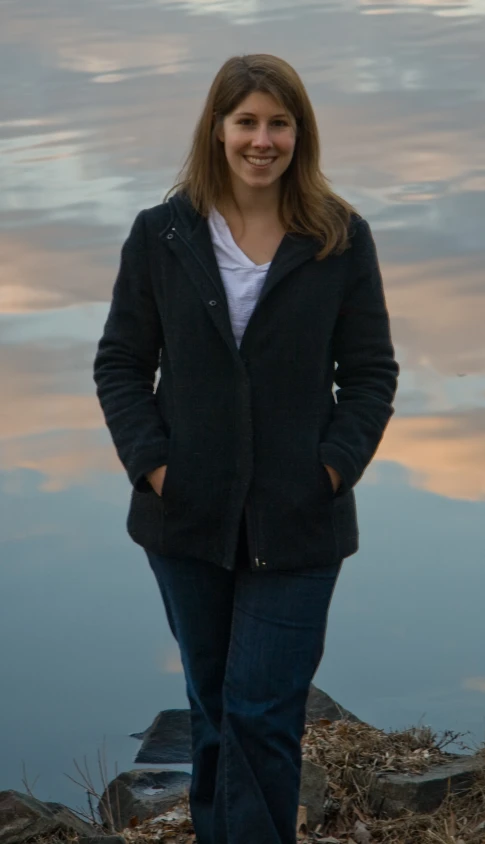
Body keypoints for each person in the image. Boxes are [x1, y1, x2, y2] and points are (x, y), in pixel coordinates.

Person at [93, 54, 399, 844]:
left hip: (299, 521)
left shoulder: (337, 238)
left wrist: (331, 466)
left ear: (299, 132)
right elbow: (122, 364)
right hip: (185, 519)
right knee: (212, 710)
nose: (262, 140)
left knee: (261, 711)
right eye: (246, 122)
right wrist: (156, 467)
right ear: (217, 130)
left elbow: (369, 374)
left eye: (278, 123)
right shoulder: (161, 235)